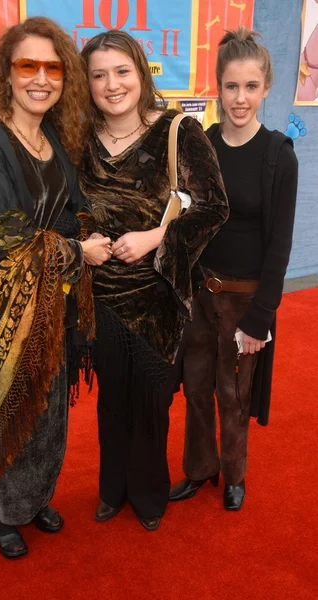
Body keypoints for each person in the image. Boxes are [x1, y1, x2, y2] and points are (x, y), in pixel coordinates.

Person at [0, 17, 111, 559]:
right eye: (27, 66)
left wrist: (87, 230)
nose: (41, 78)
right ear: (7, 73)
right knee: (6, 409)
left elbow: (67, 212)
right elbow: (6, 238)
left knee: (46, 409)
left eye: (53, 67)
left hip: (50, 304)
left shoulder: (52, 139)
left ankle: (34, 497)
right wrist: (75, 253)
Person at [79, 30, 229, 531]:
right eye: (98, 75)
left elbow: (213, 207)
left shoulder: (179, 130)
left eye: (121, 71)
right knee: (112, 400)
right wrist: (85, 239)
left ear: (141, 73)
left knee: (152, 399)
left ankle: (147, 495)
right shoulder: (78, 136)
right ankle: (112, 490)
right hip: (100, 295)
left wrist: (155, 237)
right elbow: (66, 208)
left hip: (159, 296)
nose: (111, 84)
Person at [170, 26, 298, 511]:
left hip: (246, 300)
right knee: (197, 386)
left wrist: (260, 317)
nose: (239, 98)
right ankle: (200, 469)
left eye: (250, 87)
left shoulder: (277, 156)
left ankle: (234, 475)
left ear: (265, 88)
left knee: (234, 393)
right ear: (216, 87)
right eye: (230, 86)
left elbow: (281, 246)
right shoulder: (200, 144)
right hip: (200, 295)